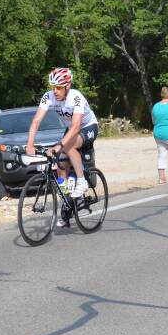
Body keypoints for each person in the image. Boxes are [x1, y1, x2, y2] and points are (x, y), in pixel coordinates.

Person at [26, 67, 99, 227]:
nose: (55, 91)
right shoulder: (49, 97)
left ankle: (82, 181)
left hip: (87, 126)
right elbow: (36, 121)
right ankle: (68, 203)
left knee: (68, 145)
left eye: (59, 87)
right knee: (60, 168)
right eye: (53, 87)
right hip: (71, 128)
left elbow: (75, 127)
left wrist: (59, 145)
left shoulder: (76, 97)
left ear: (67, 86)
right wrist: (30, 144)